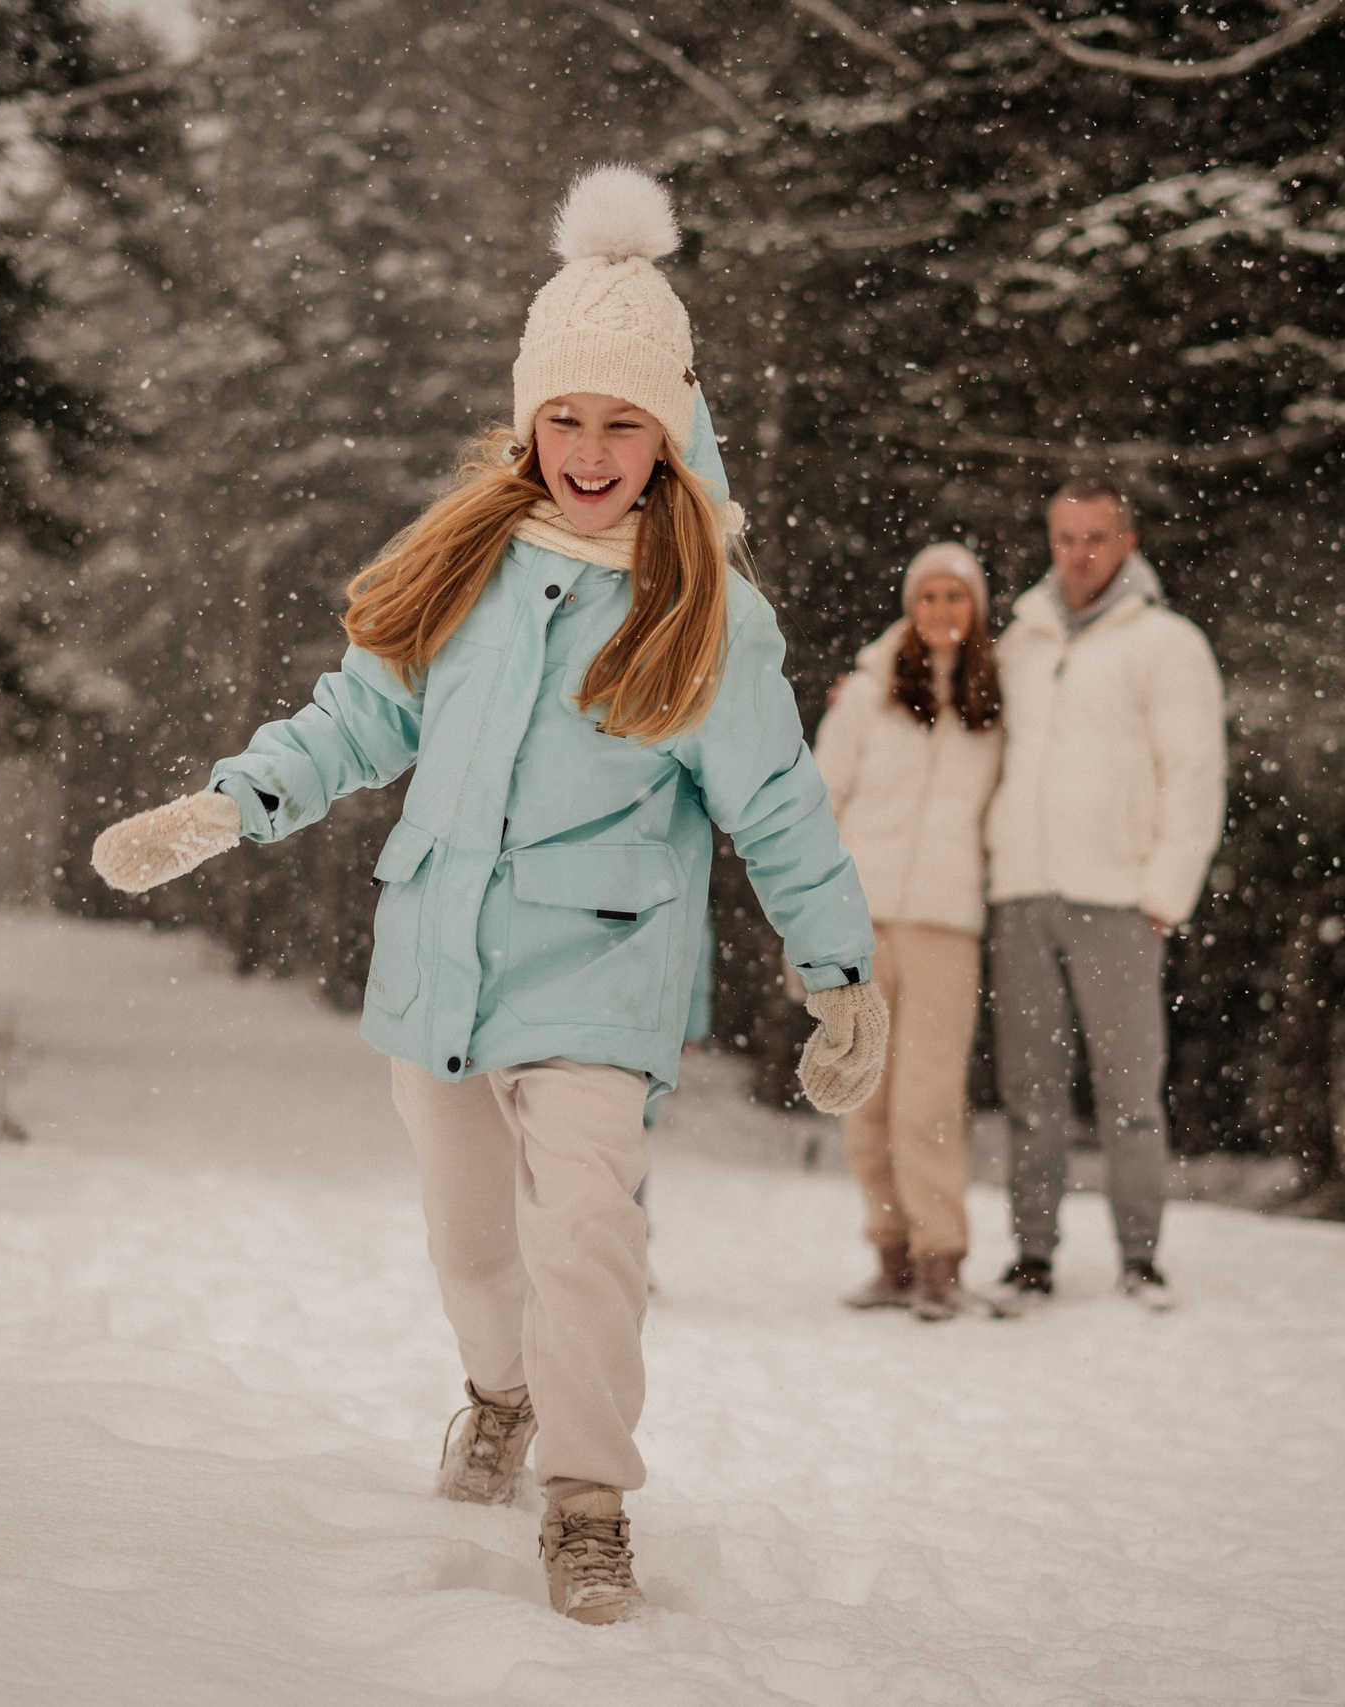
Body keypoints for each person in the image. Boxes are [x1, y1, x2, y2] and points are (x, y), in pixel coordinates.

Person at [85, 167, 886, 1625]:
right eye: (567, 416)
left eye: (623, 419)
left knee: (583, 1228)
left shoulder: (704, 605)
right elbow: (353, 717)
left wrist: (840, 969)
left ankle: (588, 1500)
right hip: (441, 961)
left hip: (604, 970)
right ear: (530, 421)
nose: (590, 448)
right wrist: (230, 801)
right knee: (471, 1246)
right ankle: (500, 1392)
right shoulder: (460, 564)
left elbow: (776, 805)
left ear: (668, 431)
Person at [984, 480, 1225, 1308]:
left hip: (1119, 897)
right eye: (1063, 537)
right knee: (1031, 1090)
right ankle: (1033, 1254)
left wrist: (1166, 889)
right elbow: (957, 723)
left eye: (1095, 536)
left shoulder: (1166, 643)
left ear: (1127, 542)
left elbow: (1195, 772)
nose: (1078, 552)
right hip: (1021, 891)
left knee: (1128, 1091)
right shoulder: (1020, 641)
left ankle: (1139, 1255)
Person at [812, 543, 1004, 1320]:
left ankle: (939, 1259)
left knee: (929, 1099)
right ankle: (888, 1254)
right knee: (867, 1094)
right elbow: (822, 795)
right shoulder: (864, 694)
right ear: (909, 605)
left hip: (946, 921)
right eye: (928, 597)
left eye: (956, 597)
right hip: (863, 917)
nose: (941, 612)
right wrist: (819, 908)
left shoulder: (998, 704)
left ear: (976, 608)